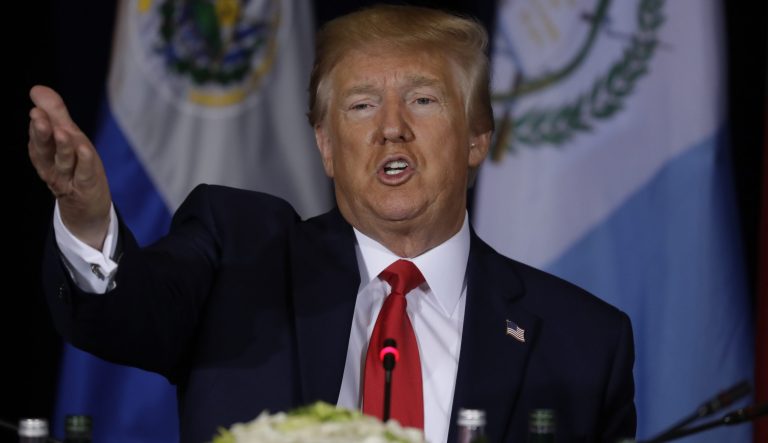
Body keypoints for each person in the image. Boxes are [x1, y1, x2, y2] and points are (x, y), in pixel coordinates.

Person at [28, 5, 636, 443]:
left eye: (424, 100)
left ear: (478, 139)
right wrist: (88, 217)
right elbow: (122, 313)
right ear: (325, 145)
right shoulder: (238, 261)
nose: (390, 127)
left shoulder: (583, 343)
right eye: (361, 105)